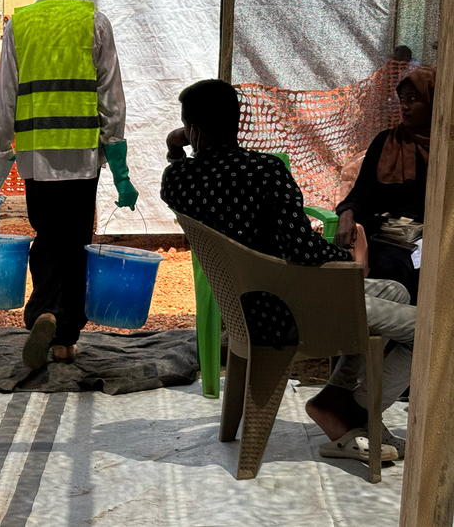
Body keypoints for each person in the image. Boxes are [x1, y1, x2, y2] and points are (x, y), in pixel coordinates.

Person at [161, 78, 416, 461]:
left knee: (396, 292)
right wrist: (348, 261)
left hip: (246, 306)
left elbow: (181, 165)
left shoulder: (178, 180)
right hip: (290, 311)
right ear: (240, 120)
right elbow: (300, 248)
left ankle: (334, 398)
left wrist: (174, 145)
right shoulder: (265, 171)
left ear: (192, 129)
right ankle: (354, 412)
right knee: (428, 328)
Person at [0, 0, 136, 368]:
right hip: (83, 159)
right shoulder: (95, 22)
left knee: (47, 236)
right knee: (75, 243)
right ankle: (66, 336)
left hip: (36, 159)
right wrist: (120, 168)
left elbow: (5, 100)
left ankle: (43, 312)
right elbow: (112, 98)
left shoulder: (21, 23)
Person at [335, 67, 434, 304]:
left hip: (432, 237)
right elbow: (361, 194)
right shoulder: (386, 142)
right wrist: (346, 214)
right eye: (403, 100)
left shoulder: (445, 147)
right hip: (391, 236)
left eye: (414, 99)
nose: (405, 107)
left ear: (433, 101)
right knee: (391, 270)